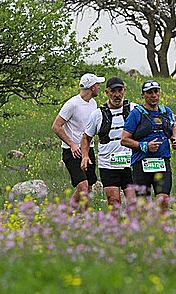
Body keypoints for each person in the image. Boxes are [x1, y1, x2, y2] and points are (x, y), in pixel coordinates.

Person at [121, 79, 176, 213]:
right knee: (143, 206)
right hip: (141, 163)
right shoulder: (136, 114)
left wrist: (174, 138)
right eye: (149, 92)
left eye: (156, 92)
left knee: (163, 199)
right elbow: (124, 140)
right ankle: (144, 232)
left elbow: (172, 127)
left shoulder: (166, 111)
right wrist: (145, 146)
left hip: (162, 162)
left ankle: (161, 231)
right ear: (143, 95)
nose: (153, 95)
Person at [80, 76, 137, 211]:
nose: (117, 95)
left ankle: (133, 230)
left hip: (130, 162)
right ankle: (114, 229)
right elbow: (86, 138)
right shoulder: (98, 114)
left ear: (124, 91)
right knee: (113, 201)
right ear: (107, 92)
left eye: (119, 90)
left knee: (133, 202)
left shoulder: (135, 109)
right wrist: (85, 156)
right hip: (108, 164)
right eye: (113, 91)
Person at [52, 72, 104, 211]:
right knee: (82, 187)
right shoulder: (72, 104)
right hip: (72, 152)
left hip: (89, 149)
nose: (99, 87)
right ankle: (66, 215)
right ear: (92, 87)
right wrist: (72, 144)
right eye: (97, 85)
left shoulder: (93, 103)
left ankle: (83, 217)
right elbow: (56, 126)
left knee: (89, 187)